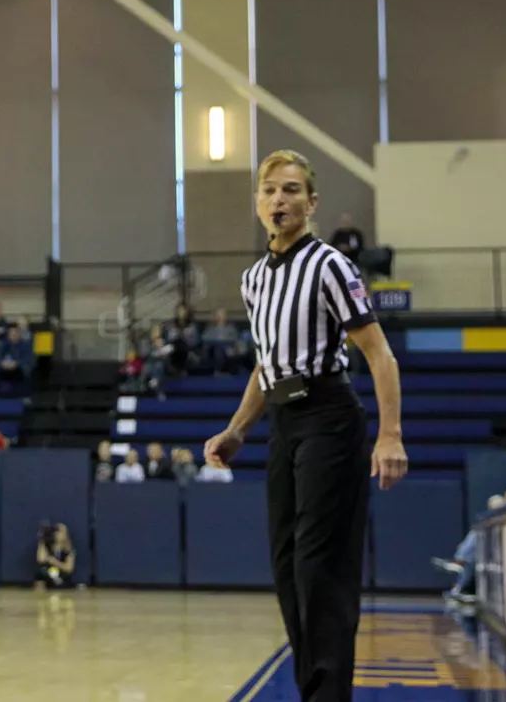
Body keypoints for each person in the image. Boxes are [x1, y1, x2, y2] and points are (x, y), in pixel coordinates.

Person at [203, 150, 407, 702]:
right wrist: (238, 428)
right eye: (270, 190)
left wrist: (391, 436)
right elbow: (267, 364)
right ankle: (314, 691)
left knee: (322, 568)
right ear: (257, 203)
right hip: (285, 423)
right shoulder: (253, 281)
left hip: (330, 418)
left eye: (292, 190)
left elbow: (378, 353)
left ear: (311, 203)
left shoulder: (331, 265)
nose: (279, 200)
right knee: (288, 566)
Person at [34, 523, 75, 590]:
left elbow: (69, 568)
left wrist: (55, 562)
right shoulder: (46, 544)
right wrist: (42, 541)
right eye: (61, 532)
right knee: (40, 574)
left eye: (65, 532)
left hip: (61, 574)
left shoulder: (69, 549)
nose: (64, 534)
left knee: (63, 579)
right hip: (47, 573)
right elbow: (40, 559)